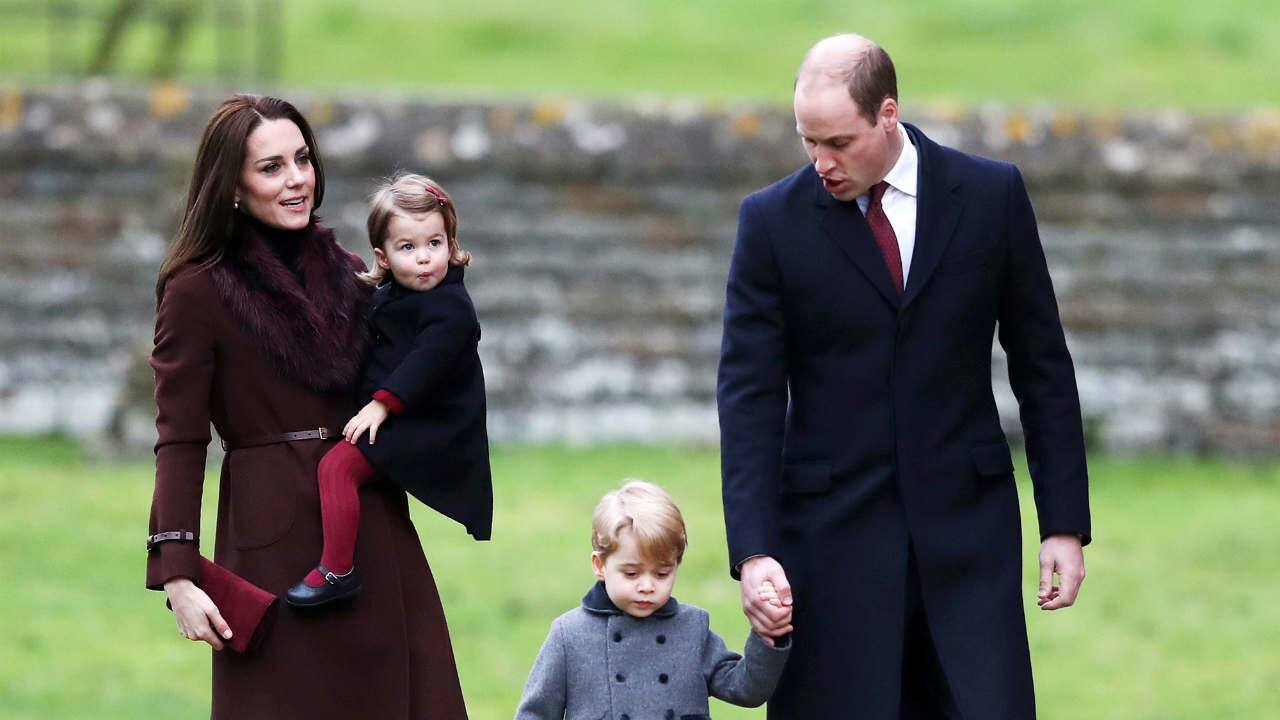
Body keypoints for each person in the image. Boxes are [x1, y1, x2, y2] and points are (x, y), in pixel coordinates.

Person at [717, 34, 1092, 719]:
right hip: (828, 548)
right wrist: (754, 551)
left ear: (888, 114)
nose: (821, 162)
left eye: (838, 142)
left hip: (969, 540)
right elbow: (749, 398)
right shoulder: (770, 222)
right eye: (808, 141)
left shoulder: (992, 196)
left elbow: (1042, 367)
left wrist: (1063, 524)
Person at [146, 94, 468, 718]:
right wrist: (178, 572)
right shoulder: (196, 290)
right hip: (269, 538)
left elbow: (430, 357)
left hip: (370, 524)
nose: (296, 179)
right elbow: (179, 438)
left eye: (302, 159)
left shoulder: (354, 273)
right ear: (231, 185)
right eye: (271, 167)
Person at [286, 173, 492, 608]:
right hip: (403, 416)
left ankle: (337, 571)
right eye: (408, 247)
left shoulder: (451, 307)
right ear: (383, 256)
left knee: (338, 468)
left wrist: (381, 405)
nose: (424, 258)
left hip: (431, 425)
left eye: (435, 243)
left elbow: (426, 362)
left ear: (451, 243)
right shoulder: (388, 296)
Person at [514, 480, 791, 720]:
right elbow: (534, 714)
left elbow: (746, 689)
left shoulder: (692, 628)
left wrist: (766, 634)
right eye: (631, 573)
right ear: (600, 565)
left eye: (661, 573)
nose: (647, 586)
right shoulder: (569, 635)